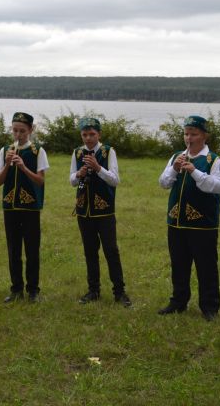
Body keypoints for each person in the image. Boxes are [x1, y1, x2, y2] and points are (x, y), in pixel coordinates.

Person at [158, 115, 220, 321]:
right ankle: (178, 301)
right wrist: (174, 169)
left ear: (204, 136)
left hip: (203, 223)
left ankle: (209, 306)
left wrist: (195, 172)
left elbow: (217, 186)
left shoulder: (213, 159)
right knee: (178, 264)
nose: (189, 138)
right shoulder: (176, 156)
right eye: (186, 133)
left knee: (206, 266)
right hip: (176, 220)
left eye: (194, 134)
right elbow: (163, 183)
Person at [70, 117, 132, 307]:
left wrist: (98, 168)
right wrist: (79, 174)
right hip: (84, 211)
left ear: (99, 134)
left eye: (92, 134)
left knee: (111, 251)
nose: (88, 138)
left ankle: (119, 292)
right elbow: (72, 180)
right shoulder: (78, 152)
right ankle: (93, 290)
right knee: (90, 251)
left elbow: (115, 180)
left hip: (104, 210)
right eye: (84, 135)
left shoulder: (108, 151)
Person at [0, 112, 49, 303]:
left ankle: (33, 290)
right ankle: (16, 289)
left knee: (32, 250)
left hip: (31, 208)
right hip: (10, 207)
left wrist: (24, 168)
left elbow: (41, 181)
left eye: (22, 131)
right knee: (13, 250)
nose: (18, 135)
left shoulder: (37, 151)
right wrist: (8, 164)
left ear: (31, 130)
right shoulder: (5, 150)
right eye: (15, 130)